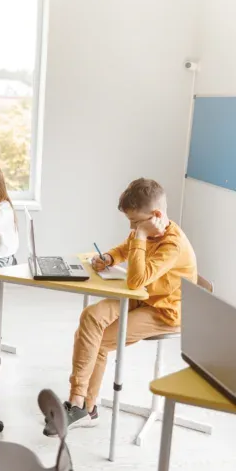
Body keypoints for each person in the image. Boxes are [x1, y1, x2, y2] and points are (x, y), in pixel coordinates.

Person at [44, 178, 197, 435]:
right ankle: (83, 403)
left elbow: (137, 278)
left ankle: (80, 403)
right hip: (143, 296)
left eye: (135, 222)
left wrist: (140, 234)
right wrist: (109, 257)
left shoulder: (172, 244)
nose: (132, 227)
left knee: (100, 342)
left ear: (156, 215)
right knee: (91, 316)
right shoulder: (147, 231)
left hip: (165, 311)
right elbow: (127, 248)